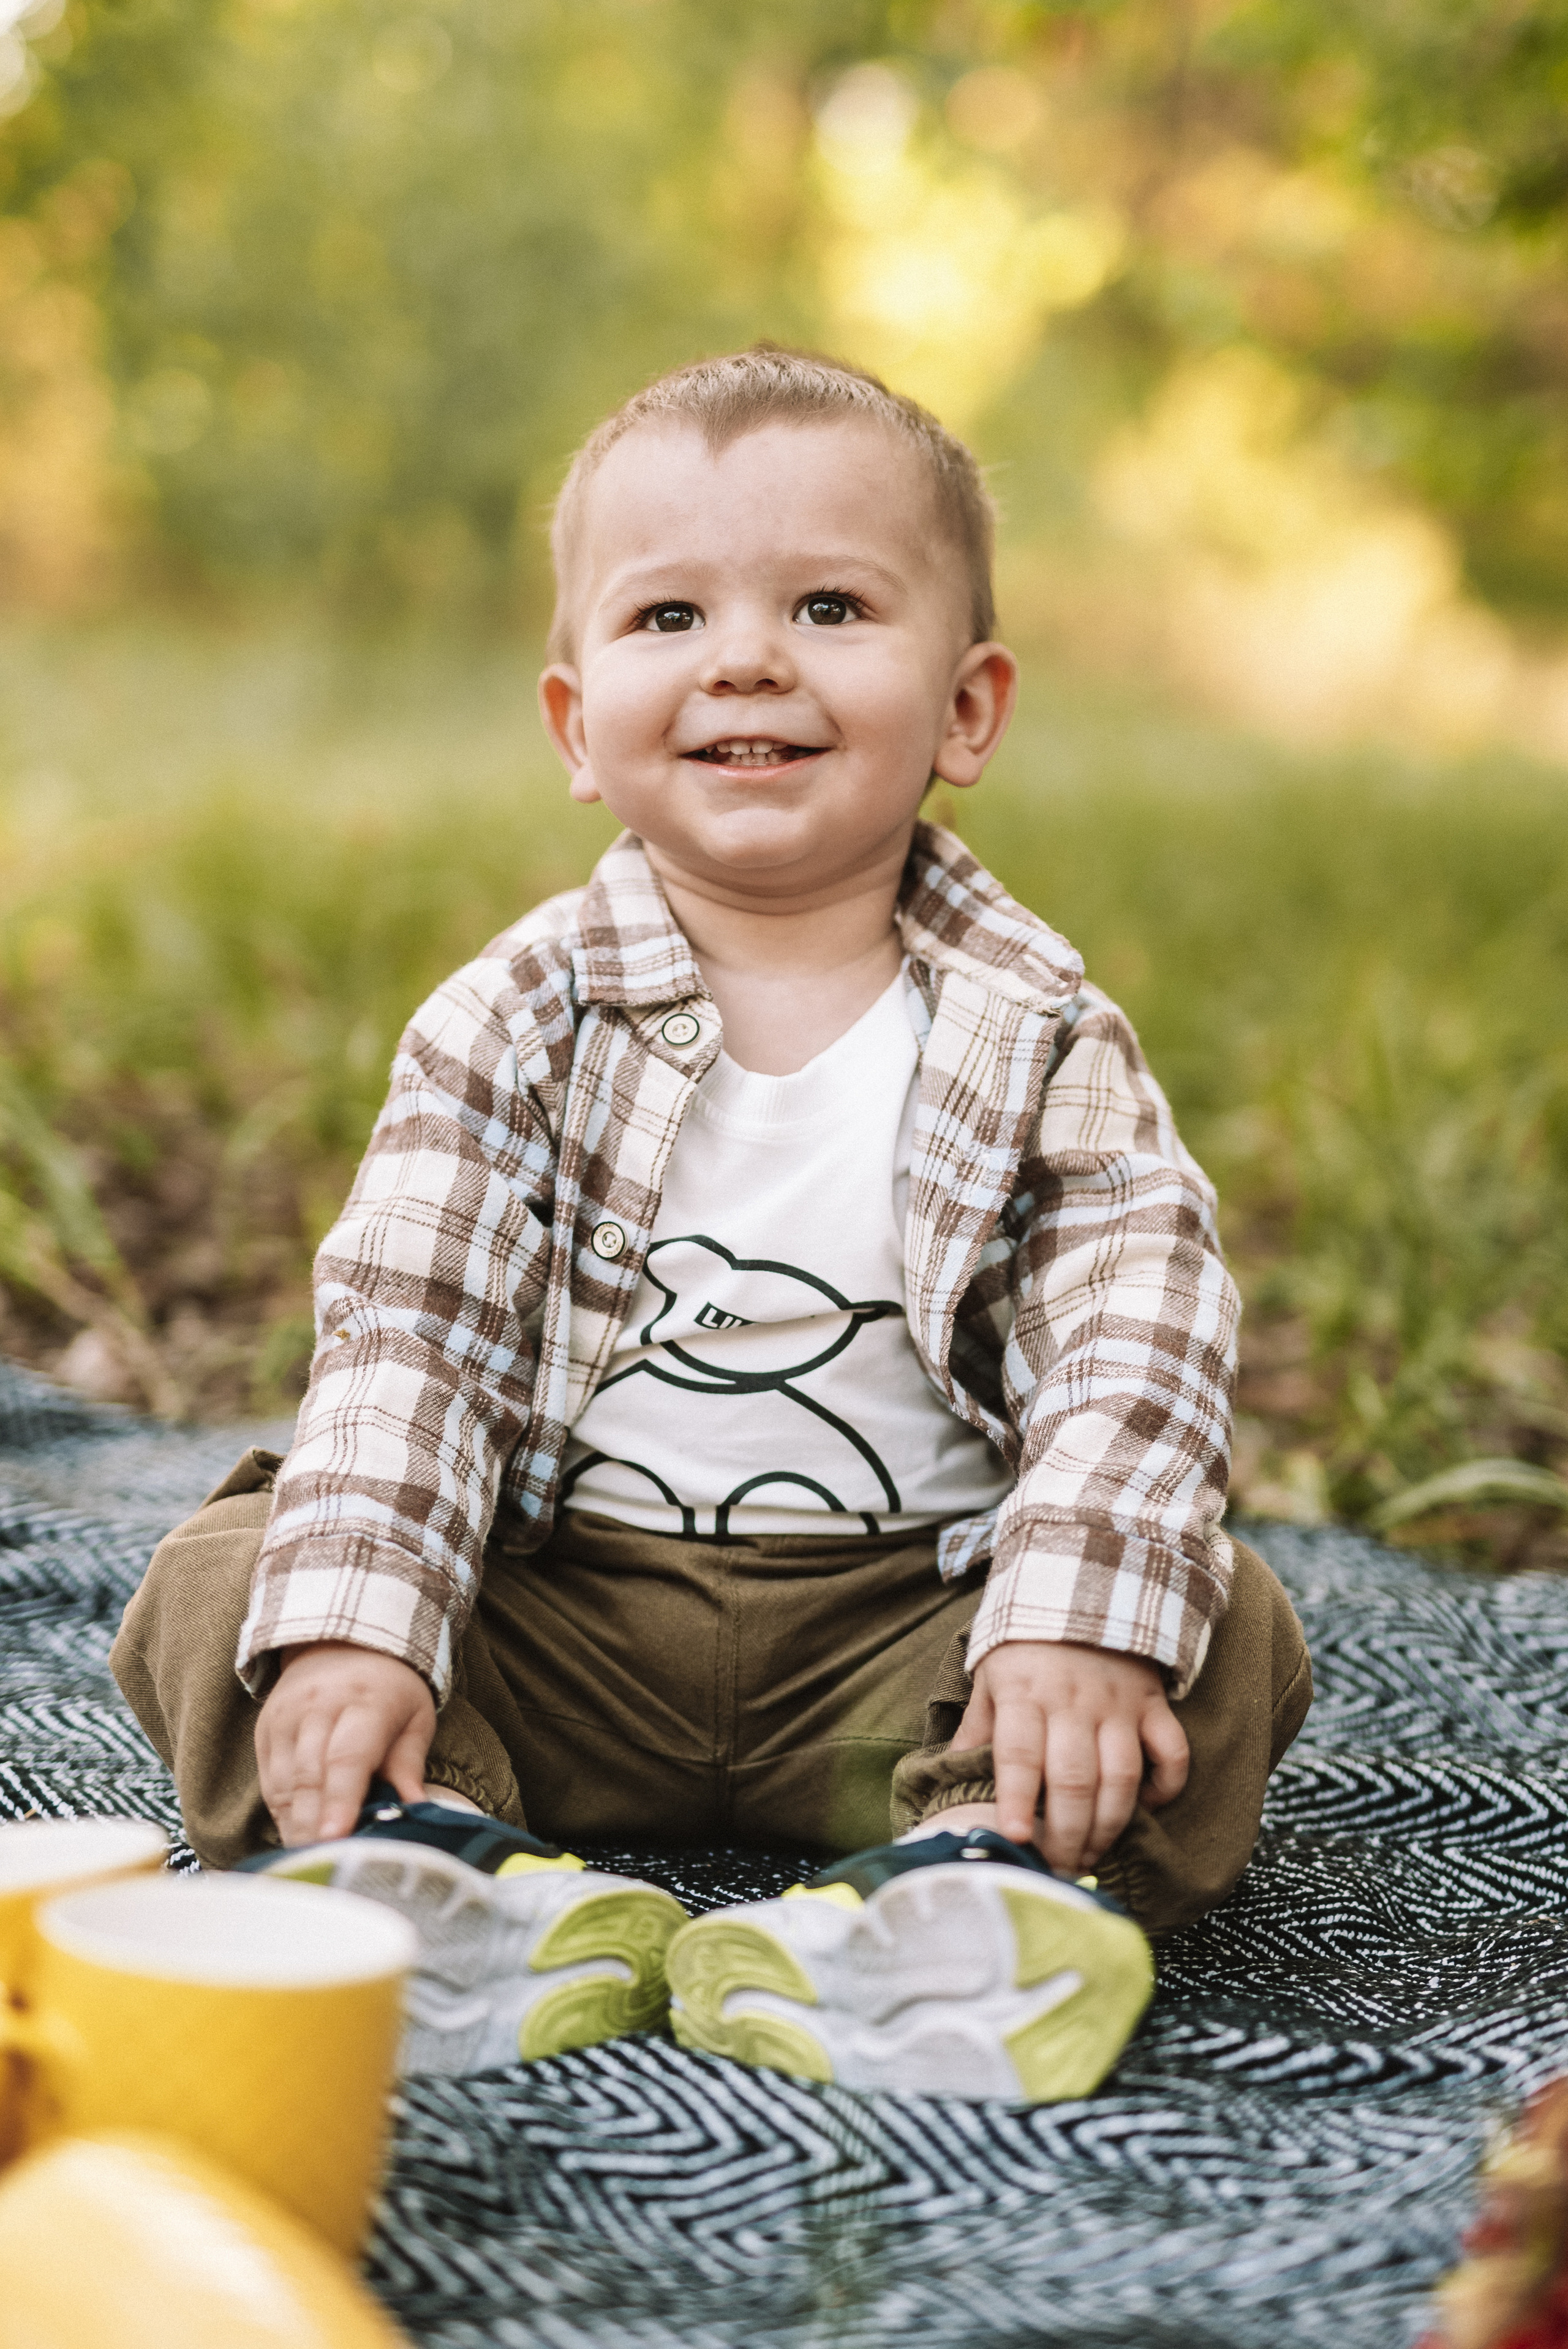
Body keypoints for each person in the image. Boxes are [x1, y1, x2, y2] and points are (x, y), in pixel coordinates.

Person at [112, 345, 1311, 2101]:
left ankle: (967, 1882)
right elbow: (413, 1340)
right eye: (669, 616)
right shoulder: (509, 1019)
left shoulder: (1033, 1022)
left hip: (911, 1635)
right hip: (558, 1617)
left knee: (1218, 1624)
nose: (748, 655)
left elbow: (1138, 1327)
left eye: (829, 605)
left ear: (968, 708)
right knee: (234, 1584)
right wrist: (369, 1622)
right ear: (574, 720)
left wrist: (1069, 1620)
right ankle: (431, 1855)